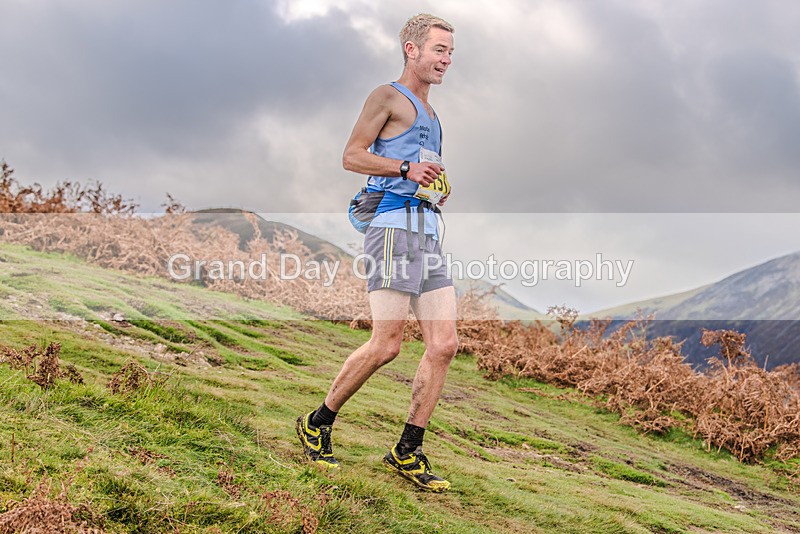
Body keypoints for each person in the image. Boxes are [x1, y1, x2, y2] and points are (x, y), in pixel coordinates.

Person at [296, 13, 458, 492]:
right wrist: (406, 168)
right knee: (387, 344)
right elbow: (352, 155)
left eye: (450, 52)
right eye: (439, 50)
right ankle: (317, 422)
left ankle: (406, 452)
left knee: (444, 346)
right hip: (390, 231)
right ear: (412, 49)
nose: (446, 59)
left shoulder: (432, 113)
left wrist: (434, 188)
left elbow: (416, 172)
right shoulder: (388, 96)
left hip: (427, 232)